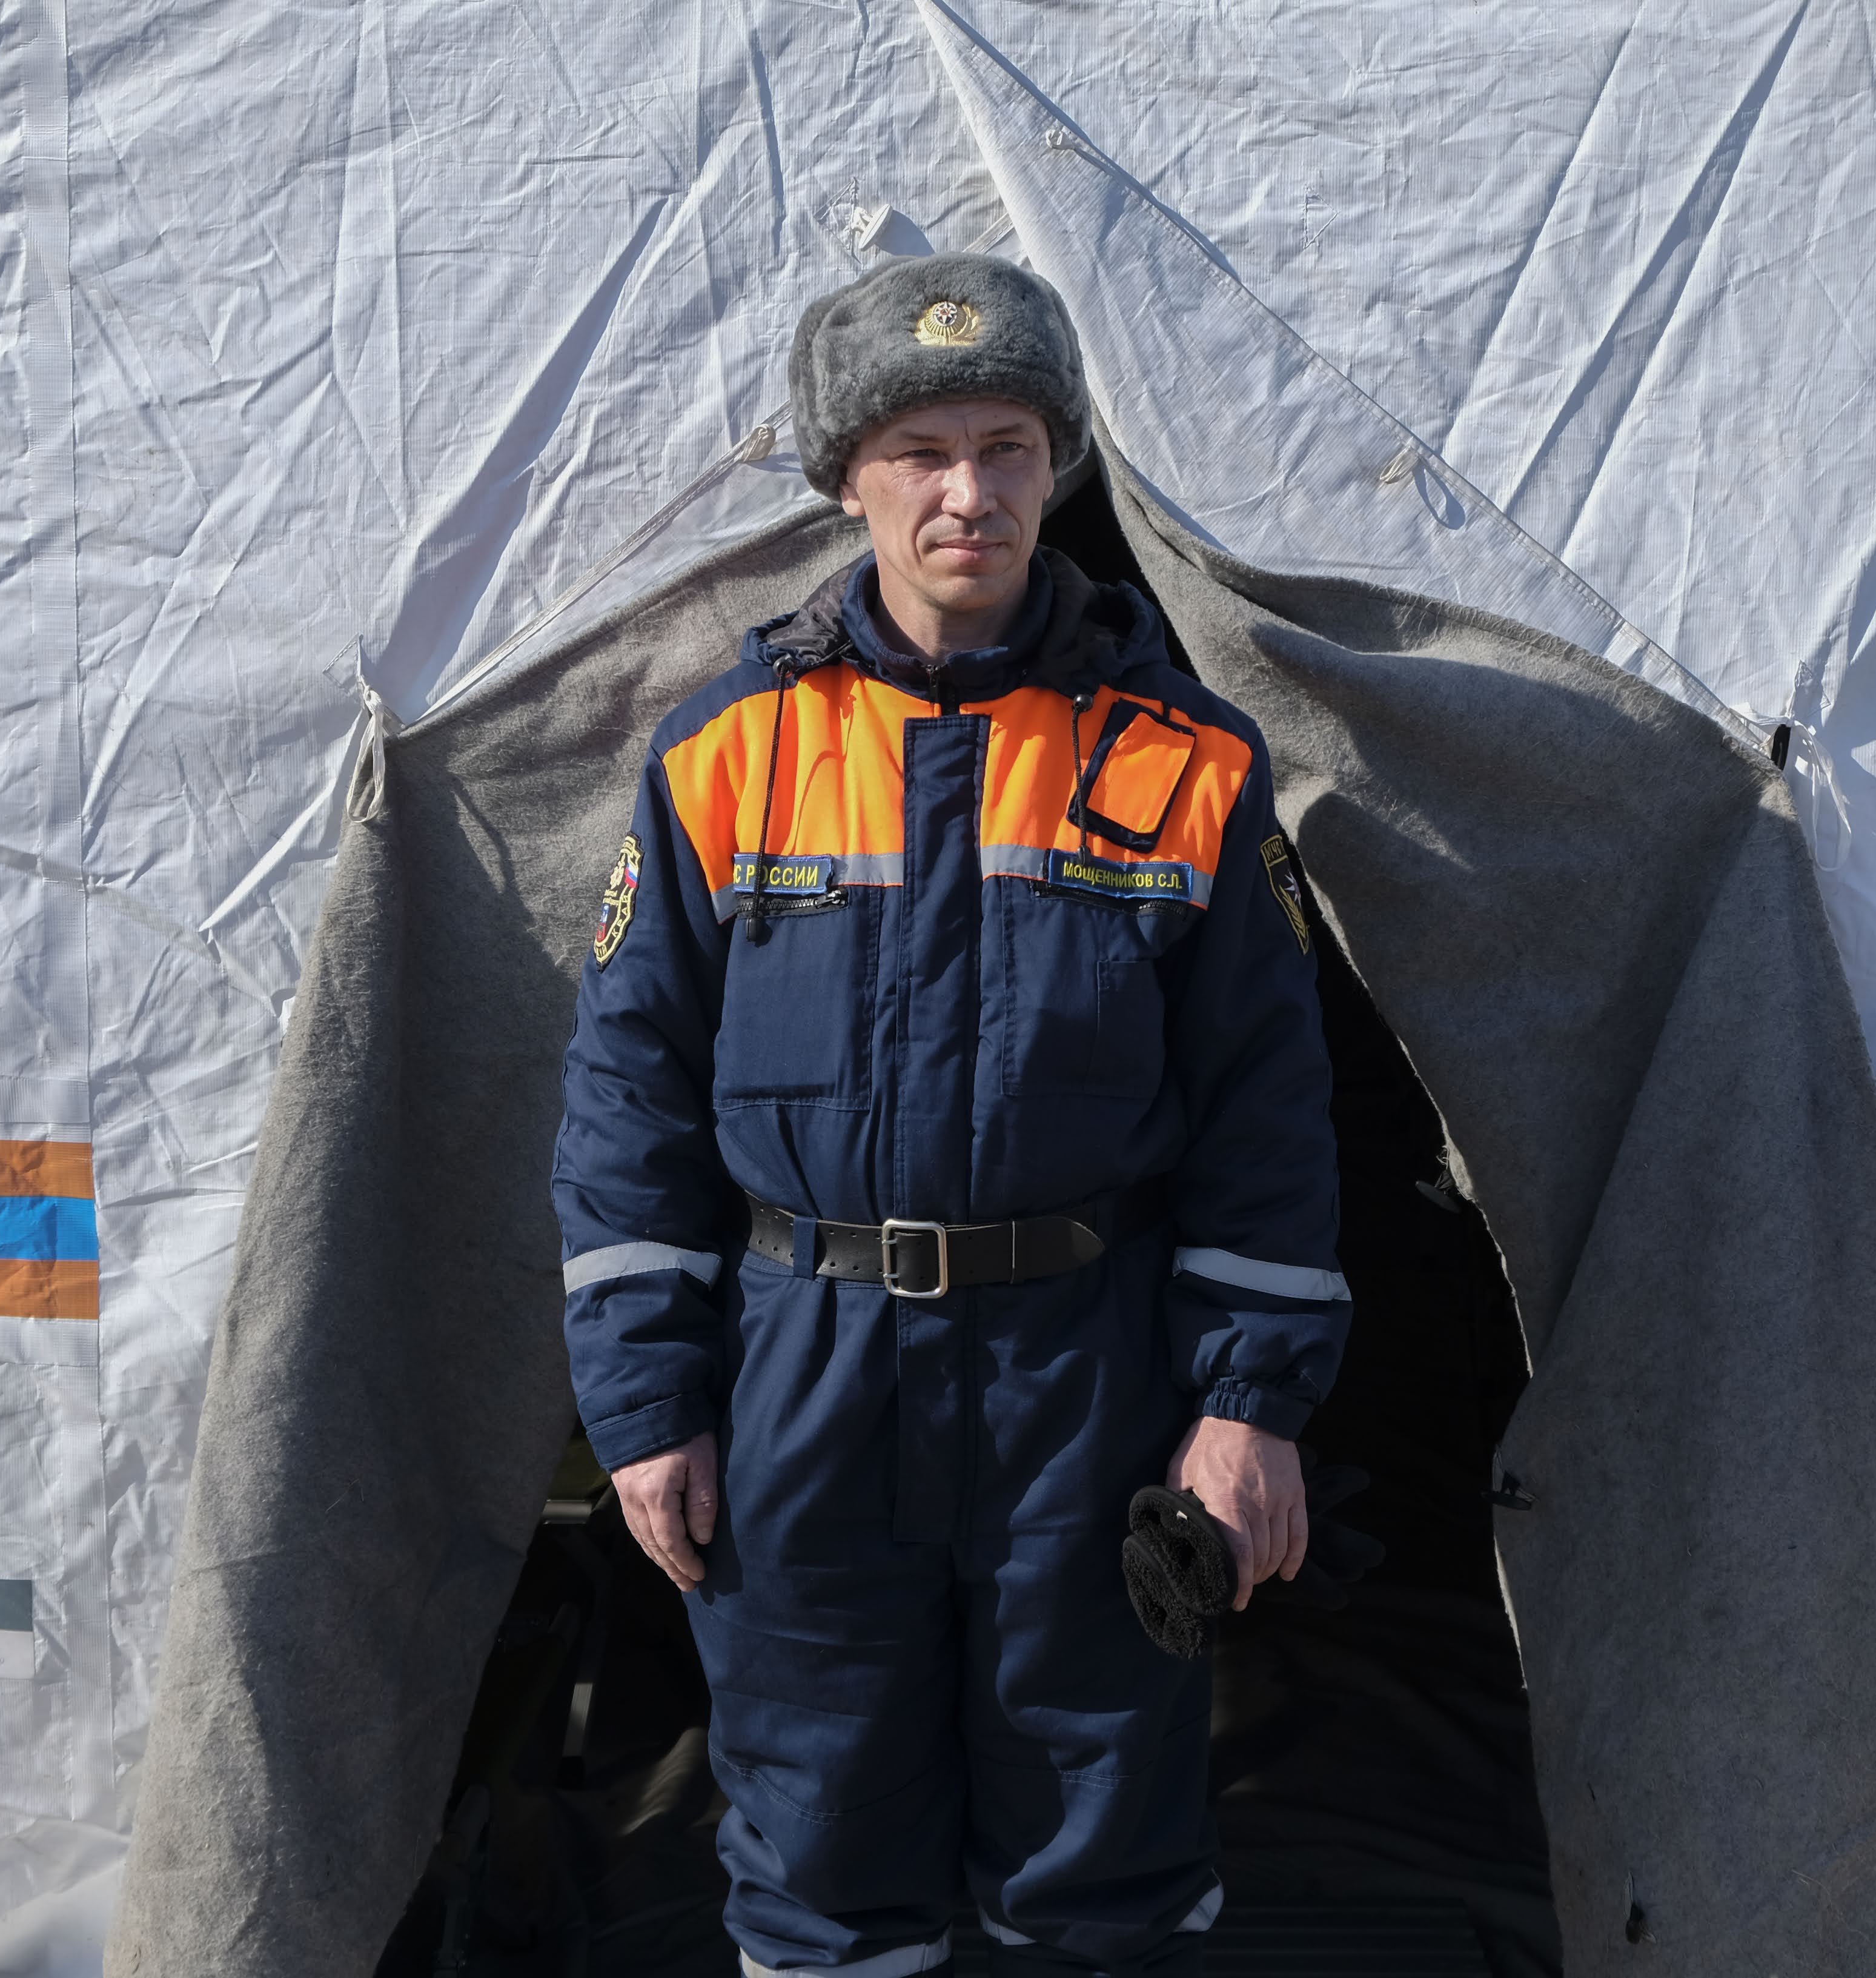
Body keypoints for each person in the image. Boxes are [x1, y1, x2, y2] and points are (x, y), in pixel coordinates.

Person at [550, 252, 1351, 1978]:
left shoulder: (1188, 762)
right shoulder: (721, 756)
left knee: (1104, 1840)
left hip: (1089, 1380)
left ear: (1056, 469)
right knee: (818, 1840)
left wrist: (1248, 1407)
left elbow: (1269, 1115)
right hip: (799, 1379)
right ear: (847, 478)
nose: (966, 492)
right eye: (920, 451)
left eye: (1005, 447)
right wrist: (645, 1405)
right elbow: (625, 1102)